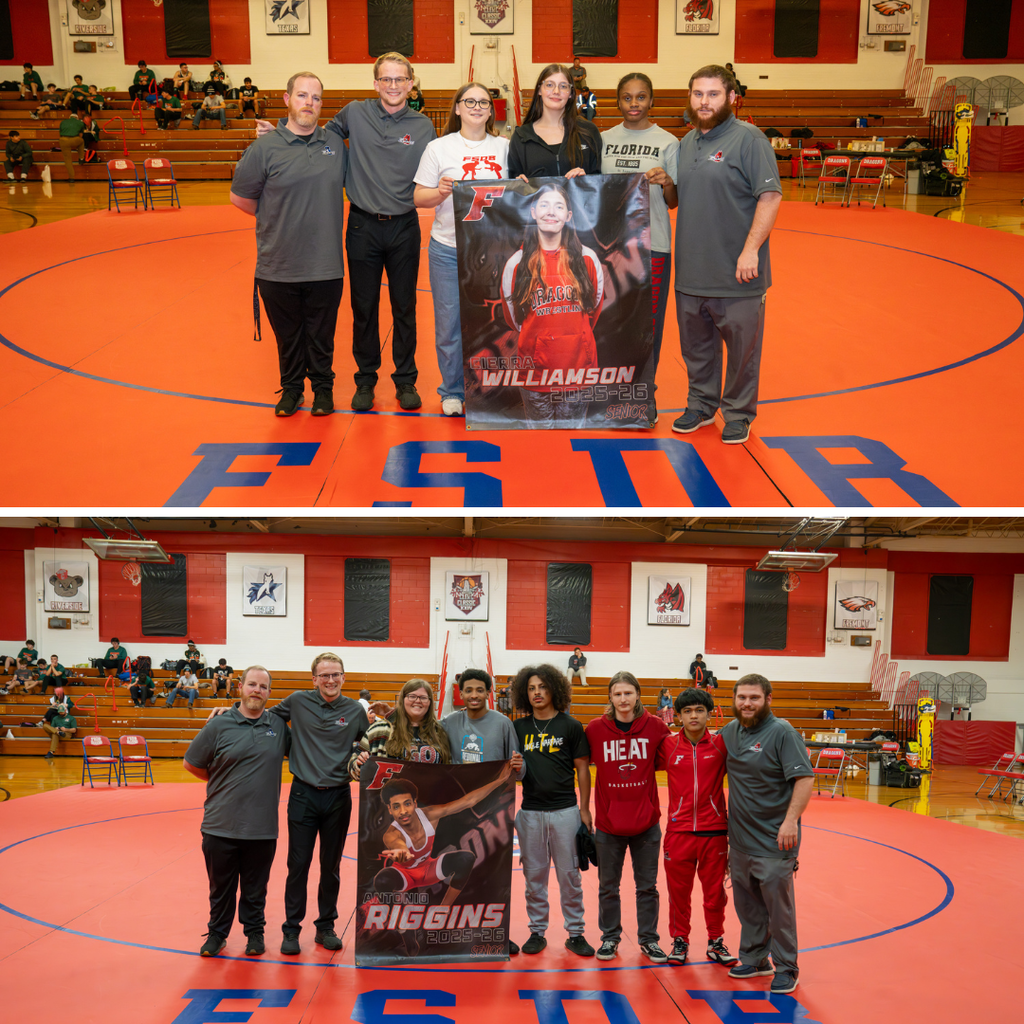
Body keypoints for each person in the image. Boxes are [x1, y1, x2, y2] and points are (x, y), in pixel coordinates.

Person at [210, 652, 369, 954]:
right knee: (298, 865)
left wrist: (364, 755)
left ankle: (326, 927)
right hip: (303, 795)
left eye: (336, 675)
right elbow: (259, 714)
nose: (331, 680)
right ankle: (291, 930)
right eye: (324, 675)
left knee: (331, 866)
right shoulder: (297, 701)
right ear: (314, 679)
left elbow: (369, 742)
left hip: (338, 795)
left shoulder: (354, 710)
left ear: (344, 678)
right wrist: (227, 712)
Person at [671, 64, 782, 445]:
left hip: (738, 272)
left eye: (713, 94)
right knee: (696, 348)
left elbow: (769, 197)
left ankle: (738, 413)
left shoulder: (749, 140)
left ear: (732, 97)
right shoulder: (686, 143)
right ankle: (701, 405)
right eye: (698, 94)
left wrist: (751, 250)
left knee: (742, 350)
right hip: (690, 272)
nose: (705, 102)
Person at [322, 52, 436, 413]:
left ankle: (406, 381)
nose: (393, 86)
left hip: (404, 225)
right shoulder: (354, 112)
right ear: (375, 83)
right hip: (362, 225)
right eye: (386, 79)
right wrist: (279, 134)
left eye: (400, 79)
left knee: (405, 306)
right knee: (364, 307)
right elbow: (320, 136)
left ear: (411, 83)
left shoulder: (422, 126)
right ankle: (365, 380)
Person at [232, 71, 348, 418]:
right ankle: (293, 389)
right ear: (287, 100)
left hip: (325, 263)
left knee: (322, 334)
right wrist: (277, 216)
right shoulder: (264, 148)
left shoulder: (335, 147)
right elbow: (241, 198)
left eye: (315, 98)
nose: (308, 103)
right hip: (278, 263)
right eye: (301, 95)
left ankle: (323, 389)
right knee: (288, 336)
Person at [413, 81, 509, 417]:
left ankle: (490, 385)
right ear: (457, 107)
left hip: (495, 250)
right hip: (449, 249)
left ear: (492, 110)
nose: (477, 106)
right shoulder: (439, 148)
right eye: (470, 101)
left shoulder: (505, 148)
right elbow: (418, 198)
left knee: (495, 322)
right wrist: (439, 192)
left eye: (484, 102)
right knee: (450, 323)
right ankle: (452, 390)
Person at [184, 666, 290, 957]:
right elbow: (191, 763)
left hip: (262, 826)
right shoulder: (218, 724)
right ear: (240, 687)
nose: (257, 690)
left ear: (269, 693)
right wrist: (220, 782)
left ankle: (255, 933)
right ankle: (217, 934)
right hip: (220, 824)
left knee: (256, 888)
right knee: (220, 888)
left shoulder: (279, 727)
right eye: (252, 684)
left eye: (263, 686)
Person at [721, 674, 814, 995]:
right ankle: (755, 958)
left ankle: (787, 966)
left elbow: (804, 780)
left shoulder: (782, 733)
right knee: (747, 905)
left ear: (768, 699)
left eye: (754, 698)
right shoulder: (730, 732)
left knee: (779, 908)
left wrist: (791, 821)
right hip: (741, 841)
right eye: (742, 697)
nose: (747, 703)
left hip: (776, 840)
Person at [601, 72, 679, 425]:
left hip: (654, 245)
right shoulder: (602, 140)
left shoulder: (669, 142)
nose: (634, 104)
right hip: (610, 246)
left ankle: (643, 396)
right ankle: (610, 396)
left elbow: (674, 201)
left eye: (641, 97)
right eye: (627, 97)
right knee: (610, 321)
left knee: (649, 325)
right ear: (617, 102)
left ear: (652, 101)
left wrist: (667, 182)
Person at [500, 181, 603, 428]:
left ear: (568, 216)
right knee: (542, 443)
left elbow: (595, 308)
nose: (550, 211)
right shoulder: (517, 263)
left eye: (558, 206)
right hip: (535, 371)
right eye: (544, 204)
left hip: (577, 368)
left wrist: (575, 337)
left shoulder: (587, 258)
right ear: (533, 211)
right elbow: (513, 318)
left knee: (572, 439)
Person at [584, 671, 670, 963]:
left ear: (637, 695)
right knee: (608, 887)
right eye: (618, 694)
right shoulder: (595, 729)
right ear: (610, 696)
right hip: (609, 826)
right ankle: (610, 938)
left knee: (647, 886)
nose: (623, 699)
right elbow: (580, 765)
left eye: (628, 693)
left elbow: (673, 760)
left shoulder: (657, 727)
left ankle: (649, 940)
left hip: (646, 824)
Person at [511, 663, 593, 957]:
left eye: (542, 687)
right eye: (531, 688)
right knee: (534, 877)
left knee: (570, 876)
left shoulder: (570, 726)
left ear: (554, 689)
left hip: (565, 811)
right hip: (530, 812)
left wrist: (585, 809)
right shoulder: (518, 728)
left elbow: (583, 770)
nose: (537, 692)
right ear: (524, 692)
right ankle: (537, 931)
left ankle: (576, 932)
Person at [656, 686, 736, 968]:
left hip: (714, 831)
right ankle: (680, 941)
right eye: (687, 711)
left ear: (709, 714)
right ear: (678, 716)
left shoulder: (720, 745)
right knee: (678, 893)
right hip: (678, 832)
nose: (693, 716)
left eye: (699, 710)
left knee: (715, 893)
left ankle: (716, 941)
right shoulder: (667, 746)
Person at [372, 765, 512, 907]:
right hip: (405, 874)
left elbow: (468, 801)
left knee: (466, 858)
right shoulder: (391, 834)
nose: (403, 811)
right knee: (382, 880)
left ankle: (444, 909)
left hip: (428, 870)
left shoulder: (430, 815)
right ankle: (390, 915)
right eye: (396, 807)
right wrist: (401, 851)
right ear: (390, 810)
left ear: (414, 803)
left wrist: (500, 781)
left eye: (407, 804)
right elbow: (398, 844)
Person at [508, 64, 601, 179]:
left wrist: (586, 181)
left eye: (563, 86)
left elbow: (599, 184)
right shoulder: (521, 137)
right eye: (549, 85)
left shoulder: (588, 132)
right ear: (539, 90)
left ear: (571, 93)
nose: (556, 91)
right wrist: (518, 186)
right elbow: (512, 187)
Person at [350, 678, 451, 772]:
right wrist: (359, 764)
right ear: (403, 699)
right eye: (412, 696)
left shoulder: (440, 731)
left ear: (429, 702)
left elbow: (450, 767)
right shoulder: (379, 730)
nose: (418, 701)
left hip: (430, 791)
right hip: (390, 790)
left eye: (423, 698)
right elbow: (353, 764)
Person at [58, 111, 87, 182]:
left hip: (63, 140)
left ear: (69, 117)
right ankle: (81, 158)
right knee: (81, 141)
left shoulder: (63, 122)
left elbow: (60, 134)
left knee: (68, 159)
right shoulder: (80, 123)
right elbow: (80, 135)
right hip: (75, 139)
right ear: (77, 118)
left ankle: (71, 178)